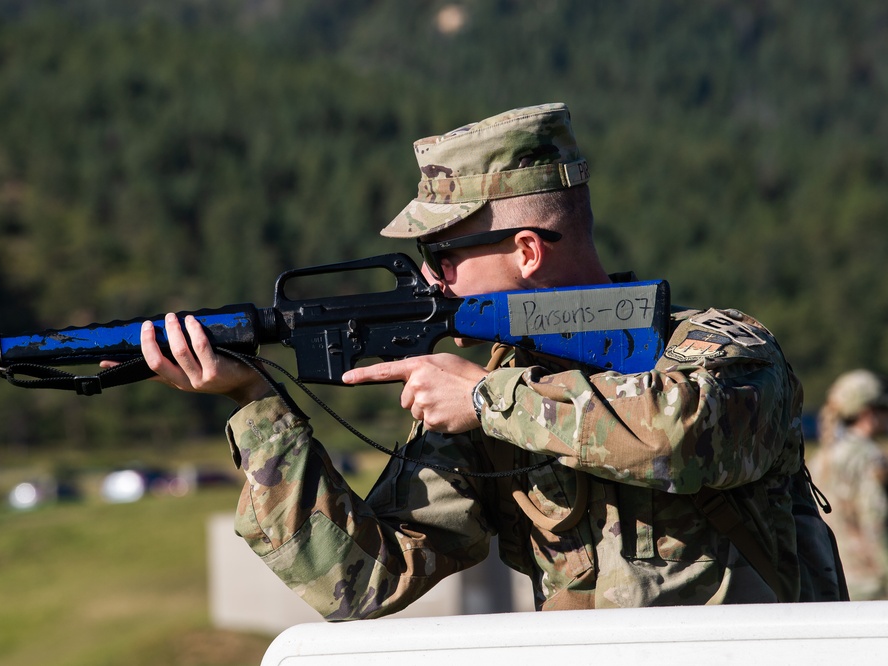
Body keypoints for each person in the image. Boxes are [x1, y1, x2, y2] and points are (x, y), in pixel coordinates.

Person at [137, 103, 845, 616]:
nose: (430, 281)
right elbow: (362, 582)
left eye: (441, 256)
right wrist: (256, 408)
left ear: (527, 252)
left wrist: (485, 400)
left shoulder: (718, 346)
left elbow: (684, 439)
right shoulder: (491, 391)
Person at [810, 369, 888, 600]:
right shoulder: (868, 457)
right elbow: (875, 521)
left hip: (832, 578)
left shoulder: (820, 458)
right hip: (870, 583)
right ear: (868, 412)